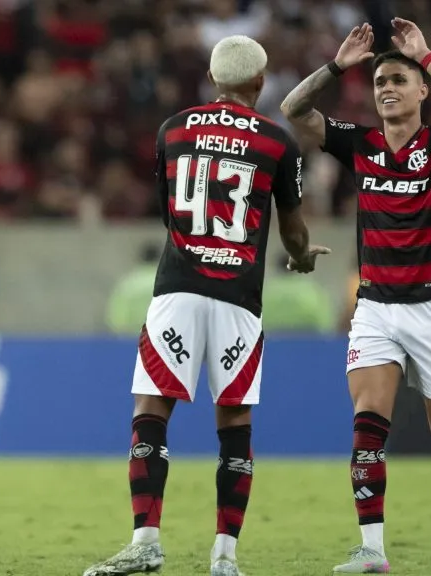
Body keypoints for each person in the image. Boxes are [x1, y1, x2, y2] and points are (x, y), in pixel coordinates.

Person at [83, 35, 329, 576]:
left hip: (177, 287)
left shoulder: (171, 130)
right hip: (238, 297)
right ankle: (225, 557)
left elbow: (172, 212)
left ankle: (145, 542)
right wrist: (302, 257)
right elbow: (291, 228)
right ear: (260, 83)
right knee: (235, 421)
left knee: (151, 412)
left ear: (214, 80)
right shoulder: (277, 142)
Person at [280, 20, 431, 573]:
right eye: (380, 80)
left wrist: (425, 55)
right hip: (376, 307)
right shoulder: (361, 145)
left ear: (422, 91)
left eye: (398, 79)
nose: (386, 87)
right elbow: (292, 109)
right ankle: (372, 550)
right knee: (367, 423)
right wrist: (337, 66)